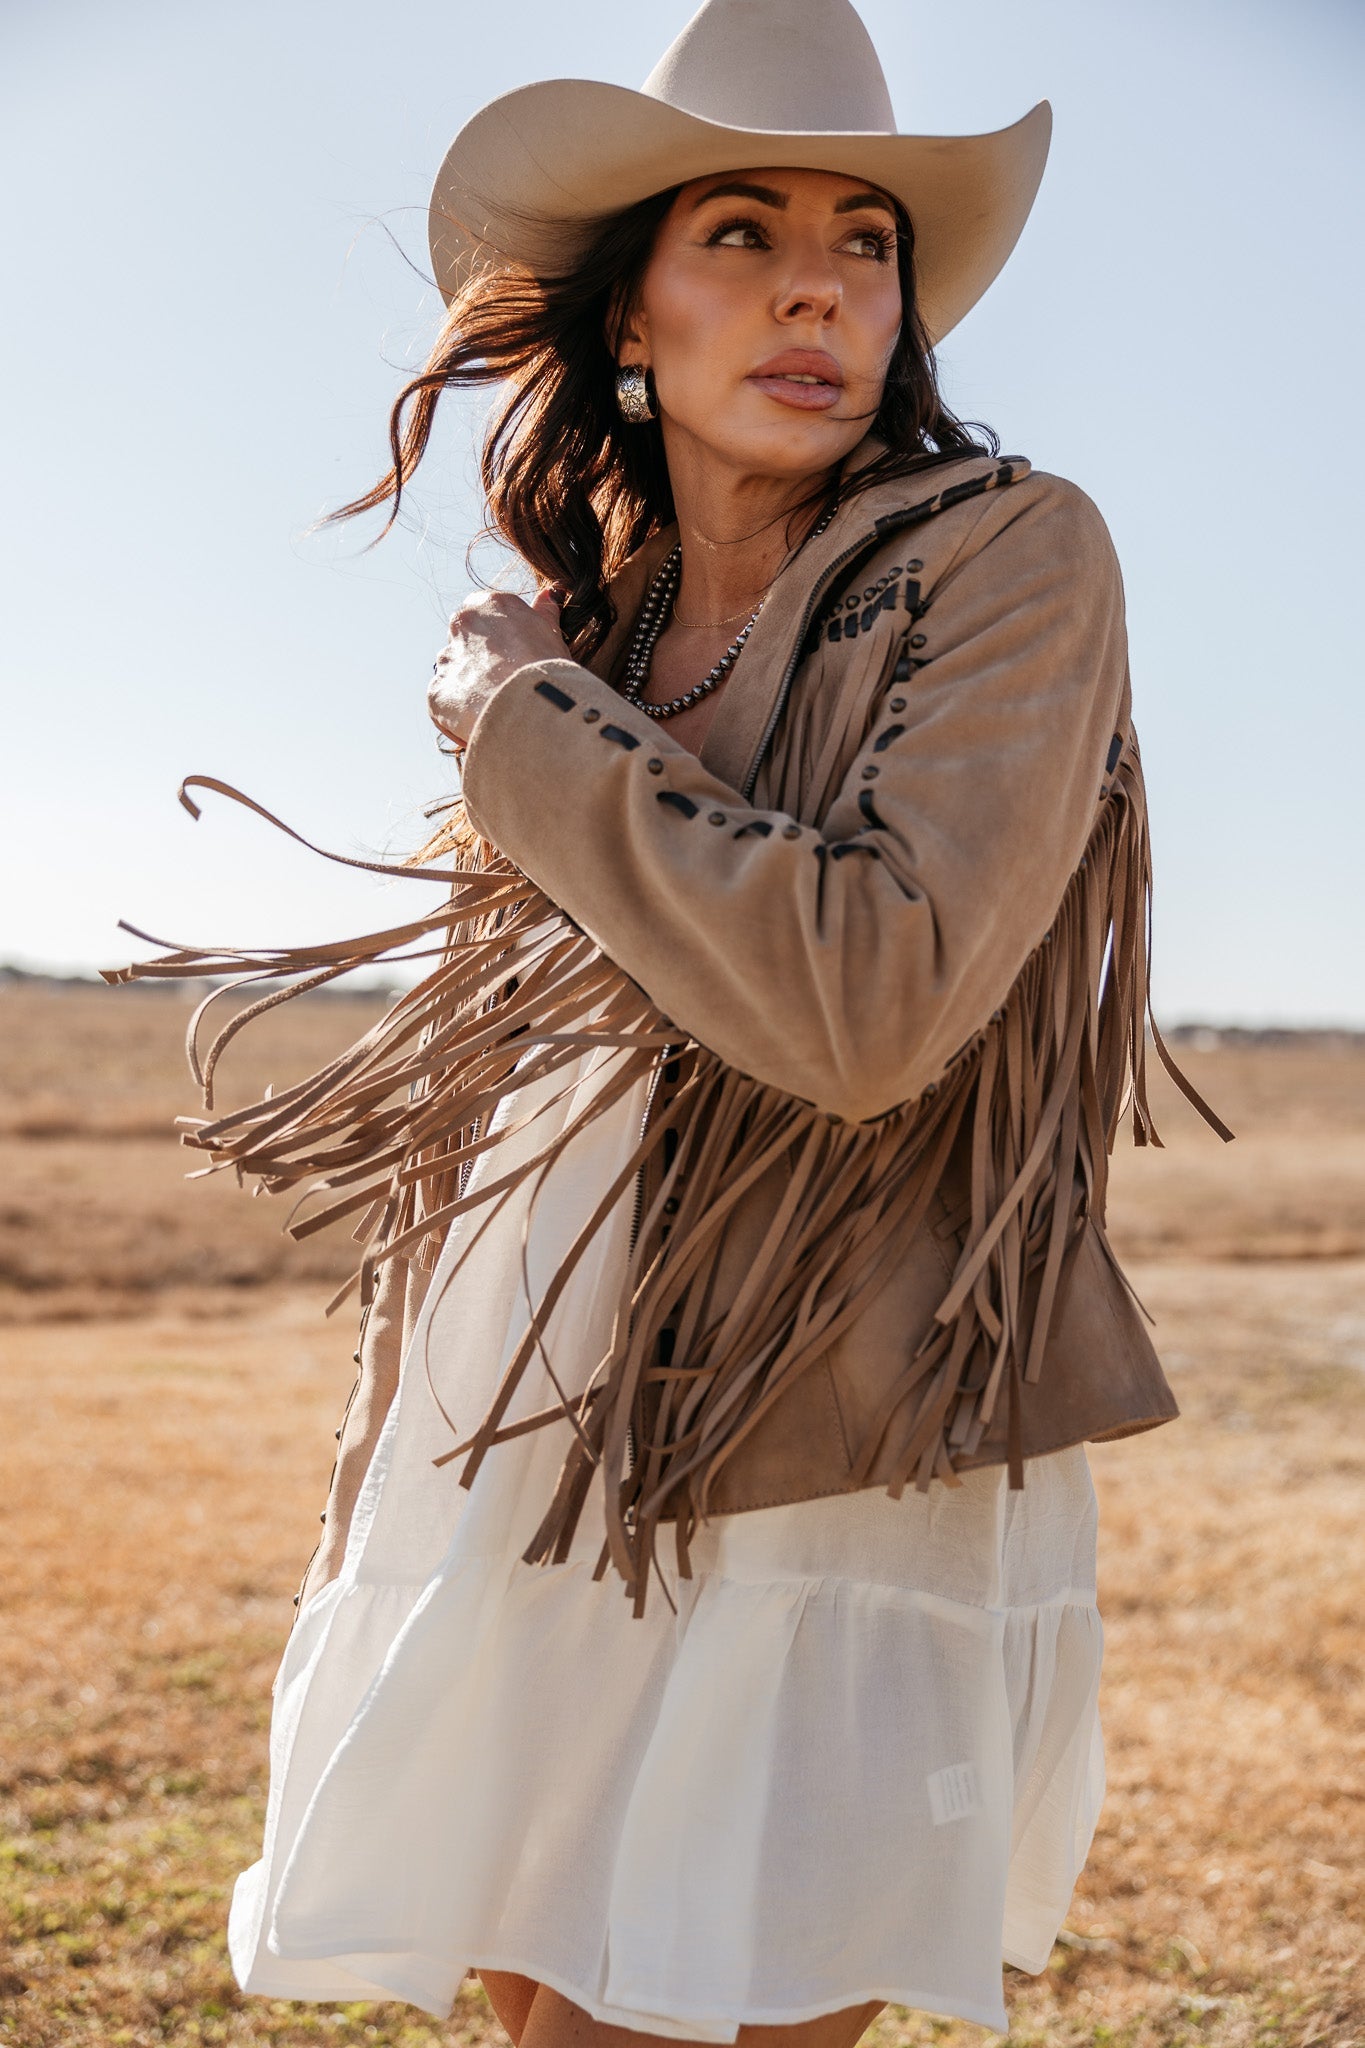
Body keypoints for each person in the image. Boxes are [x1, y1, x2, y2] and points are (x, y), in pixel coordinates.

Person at [114, 0, 1232, 2039]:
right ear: (629, 316)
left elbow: (866, 997)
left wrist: (517, 729)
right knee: (540, 2007)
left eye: (862, 237)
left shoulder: (999, 560)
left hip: (821, 1437)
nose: (817, 277)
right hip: (552, 1447)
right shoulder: (599, 629)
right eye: (740, 226)